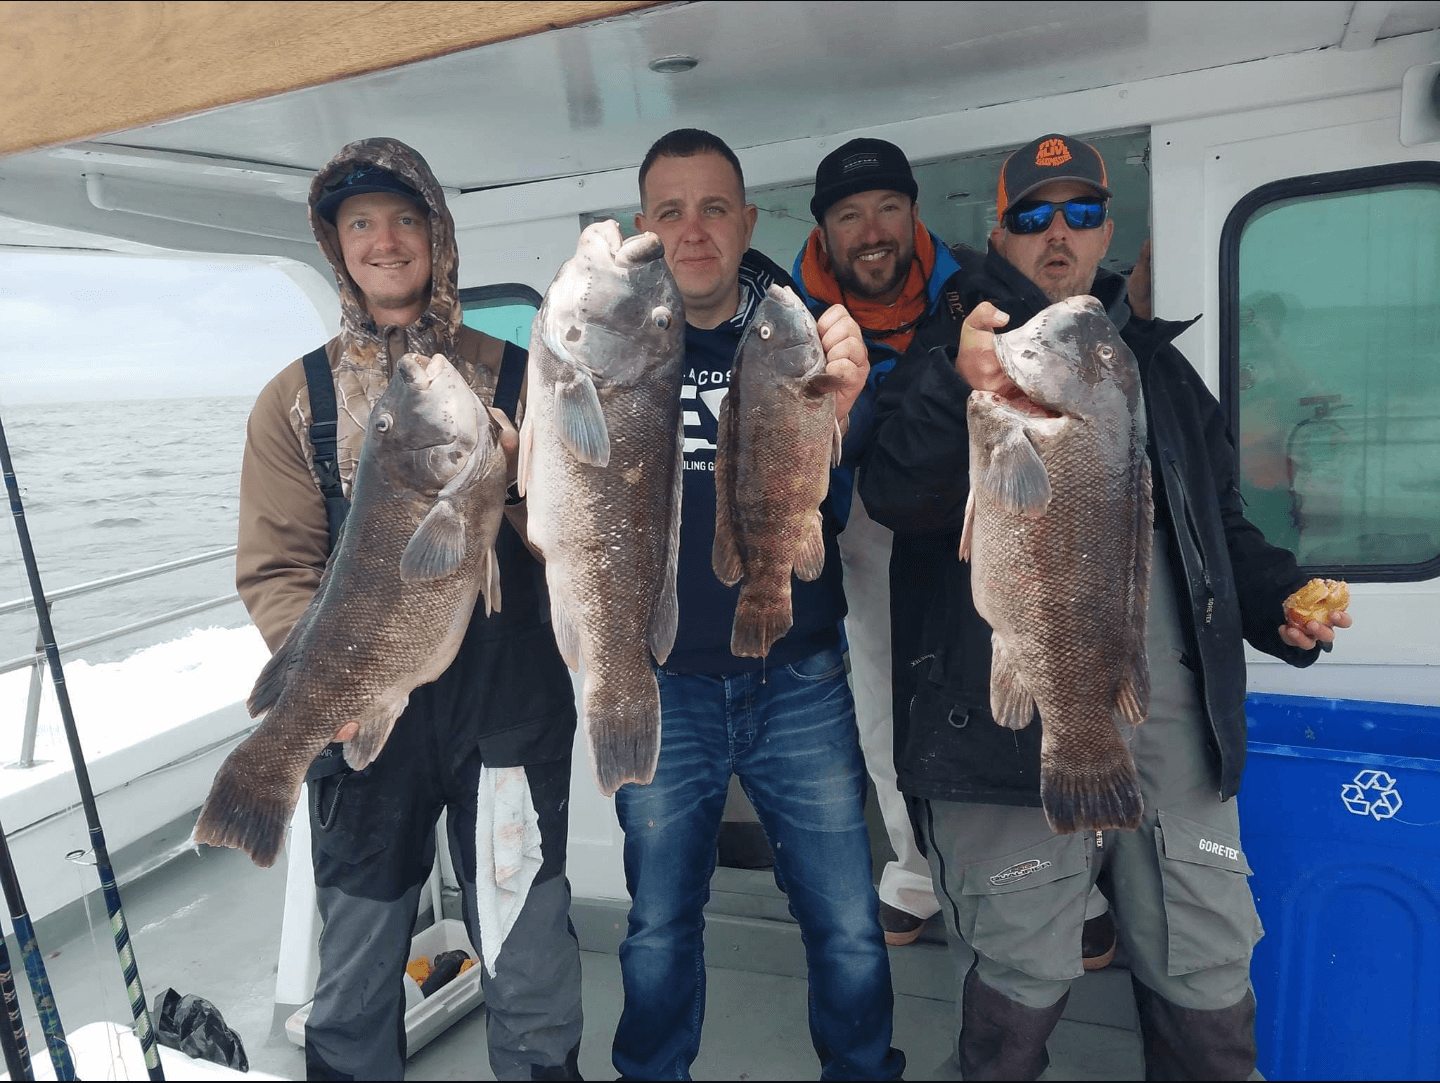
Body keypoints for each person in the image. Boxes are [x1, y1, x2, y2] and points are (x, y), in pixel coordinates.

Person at [857, 132, 1353, 1080]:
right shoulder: (957, 355)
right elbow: (896, 492)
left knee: (1206, 980)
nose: (1059, 232)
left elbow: (1223, 530)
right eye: (1034, 214)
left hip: (1165, 717)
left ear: (1106, 229)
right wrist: (955, 383)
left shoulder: (1160, 373)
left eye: (1081, 212)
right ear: (999, 232)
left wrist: (1279, 600)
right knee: (1018, 986)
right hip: (1004, 718)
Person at [235, 137, 583, 1081]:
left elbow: (576, 531)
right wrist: (331, 681)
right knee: (351, 974)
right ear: (335, 245)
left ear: (437, 233)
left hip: (506, 700)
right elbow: (277, 570)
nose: (384, 241)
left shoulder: (520, 377)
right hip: (366, 702)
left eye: (403, 218)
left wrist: (517, 482)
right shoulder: (293, 400)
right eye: (359, 225)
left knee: (529, 955)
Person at [608, 128, 905, 1082]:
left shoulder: (806, 335)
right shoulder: (613, 349)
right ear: (647, 230)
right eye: (670, 211)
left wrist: (849, 412)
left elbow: (860, 485)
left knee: (850, 920)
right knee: (656, 922)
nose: (694, 230)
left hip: (800, 679)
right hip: (662, 683)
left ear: (747, 220)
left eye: (714, 207)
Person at [789, 137, 961, 947]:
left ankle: (1053, 878)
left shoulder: (973, 293)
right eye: (850, 214)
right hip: (860, 531)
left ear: (915, 211)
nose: (872, 228)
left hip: (977, 524)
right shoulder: (786, 318)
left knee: (1010, 686)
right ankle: (920, 869)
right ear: (823, 231)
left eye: (888, 206)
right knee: (884, 706)